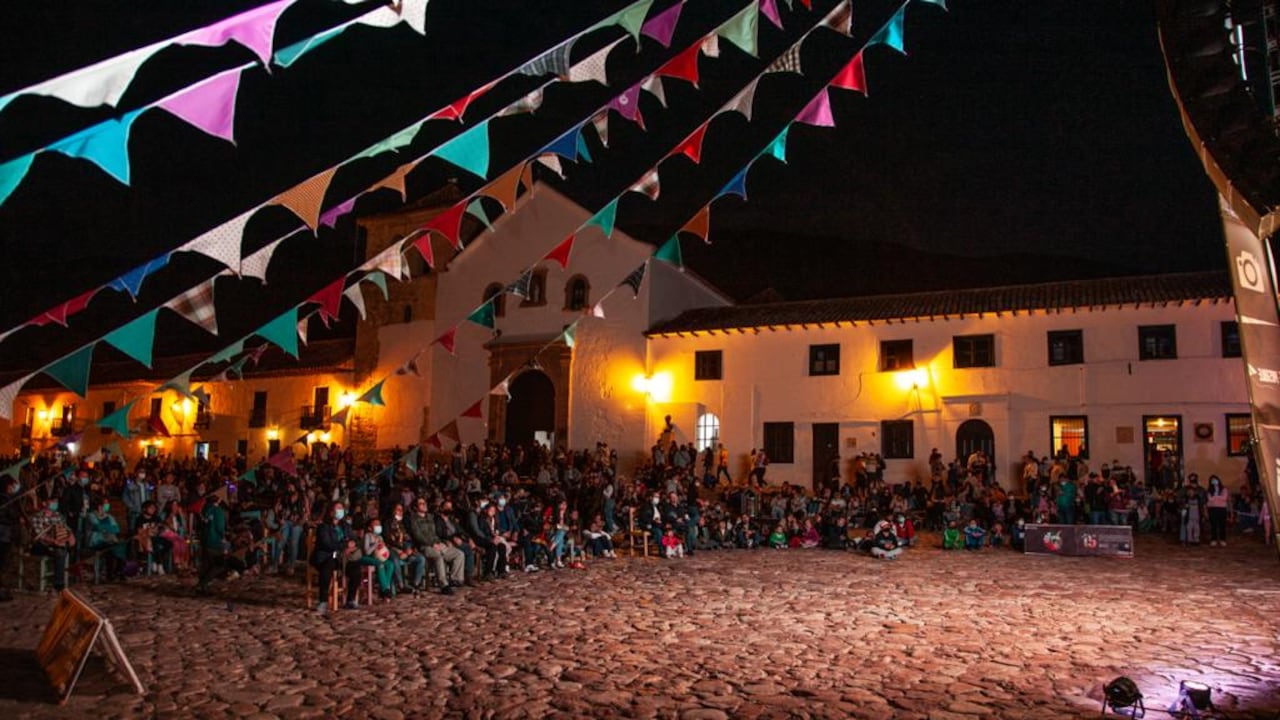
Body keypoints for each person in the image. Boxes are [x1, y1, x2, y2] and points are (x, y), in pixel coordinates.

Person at [406, 498, 462, 594]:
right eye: (421, 504)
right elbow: (418, 536)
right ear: (416, 507)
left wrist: (440, 542)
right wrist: (432, 544)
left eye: (425, 503)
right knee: (438, 556)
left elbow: (436, 533)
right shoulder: (413, 519)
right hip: (425, 546)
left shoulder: (430, 517)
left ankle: (455, 580)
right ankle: (444, 585)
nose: (424, 505)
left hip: (437, 543)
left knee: (459, 554)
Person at [30, 495, 76, 591]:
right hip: (40, 544)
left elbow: (67, 529)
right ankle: (59, 583)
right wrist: (53, 541)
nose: (55, 504)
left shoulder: (58, 516)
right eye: (52, 501)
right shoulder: (37, 517)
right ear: (45, 503)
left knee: (61, 549)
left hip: (57, 544)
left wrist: (71, 536)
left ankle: (59, 581)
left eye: (56, 502)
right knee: (60, 551)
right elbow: (39, 535)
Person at [1205, 475, 1230, 547]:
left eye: (1215, 480)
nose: (1214, 481)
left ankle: (1222, 539)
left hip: (1222, 508)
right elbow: (1210, 499)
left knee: (1222, 524)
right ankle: (1214, 539)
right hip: (1212, 508)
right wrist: (1217, 496)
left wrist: (1215, 496)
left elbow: (1224, 498)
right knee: (1213, 525)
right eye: (1212, 480)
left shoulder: (1224, 489)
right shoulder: (1209, 490)